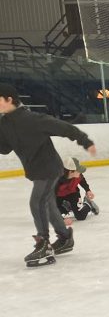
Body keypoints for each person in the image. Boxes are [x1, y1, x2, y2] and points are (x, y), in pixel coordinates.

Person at [0, 82, 96, 267]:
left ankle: (43, 243)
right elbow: (4, 148)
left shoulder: (33, 119)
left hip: (49, 168)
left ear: (9, 100)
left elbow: (64, 127)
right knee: (49, 205)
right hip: (35, 170)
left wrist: (85, 141)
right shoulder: (4, 124)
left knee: (36, 202)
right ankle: (65, 238)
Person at [56, 155, 99, 223]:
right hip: (57, 197)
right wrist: (62, 220)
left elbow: (82, 180)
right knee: (62, 214)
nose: (80, 172)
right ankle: (66, 206)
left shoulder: (77, 175)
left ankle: (87, 203)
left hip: (73, 194)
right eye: (78, 170)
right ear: (71, 172)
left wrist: (88, 190)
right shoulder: (56, 180)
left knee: (80, 216)